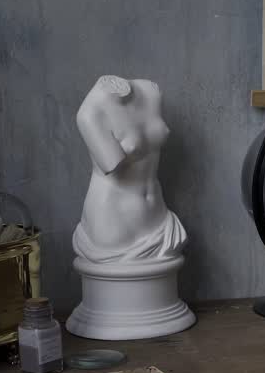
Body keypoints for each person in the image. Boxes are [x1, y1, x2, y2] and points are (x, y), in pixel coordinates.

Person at [73, 74, 186, 263]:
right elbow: (112, 165)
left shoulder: (150, 90)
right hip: (114, 221)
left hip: (158, 216)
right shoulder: (89, 114)